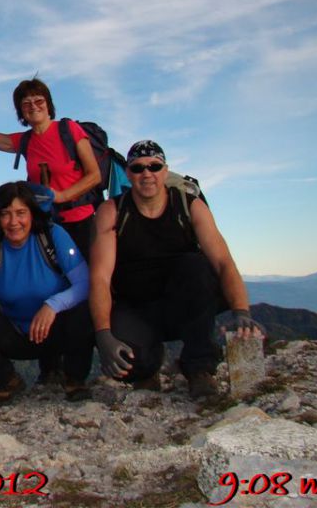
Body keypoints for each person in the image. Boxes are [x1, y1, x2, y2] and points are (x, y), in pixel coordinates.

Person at [89, 140, 265, 398]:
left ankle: (199, 369)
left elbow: (223, 262)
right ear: (128, 173)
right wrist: (103, 334)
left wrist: (241, 311)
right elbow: (100, 277)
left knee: (196, 265)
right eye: (138, 168)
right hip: (136, 306)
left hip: (185, 303)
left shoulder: (190, 205)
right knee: (128, 365)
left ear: (165, 170)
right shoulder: (112, 211)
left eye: (154, 166)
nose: (146, 173)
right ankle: (148, 367)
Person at [0, 182, 94, 404]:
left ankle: (75, 380)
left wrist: (53, 305)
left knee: (85, 313)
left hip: (57, 330)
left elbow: (84, 284)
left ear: (32, 213)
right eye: (6, 214)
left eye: (21, 213)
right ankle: (5, 381)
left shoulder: (53, 235)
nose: (14, 222)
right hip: (16, 332)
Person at [0, 80, 100, 257]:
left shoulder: (69, 129)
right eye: (26, 103)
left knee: (85, 279)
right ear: (21, 111)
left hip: (80, 222)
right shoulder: (25, 141)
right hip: (44, 223)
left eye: (39, 101)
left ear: (48, 104)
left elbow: (94, 174)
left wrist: (62, 196)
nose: (33, 106)